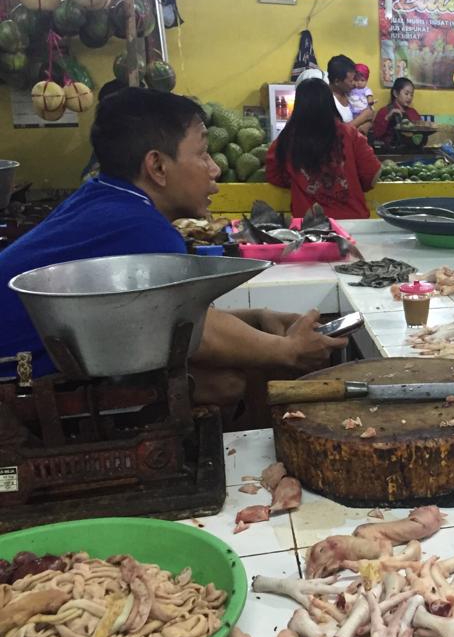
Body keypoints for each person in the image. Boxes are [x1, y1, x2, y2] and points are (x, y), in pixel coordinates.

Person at [0, 88, 348, 403]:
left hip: (43, 363)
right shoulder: (138, 225)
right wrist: (288, 351)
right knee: (228, 380)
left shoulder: (105, 199)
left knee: (224, 378)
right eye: (202, 153)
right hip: (17, 384)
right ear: (157, 166)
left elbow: (167, 318)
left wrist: (257, 317)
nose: (214, 168)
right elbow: (200, 337)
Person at [266, 78, 382, 219]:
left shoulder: (288, 137)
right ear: (330, 103)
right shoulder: (349, 133)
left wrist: (298, 180)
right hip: (352, 223)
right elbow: (373, 174)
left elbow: (273, 174)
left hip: (311, 226)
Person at [327, 54, 374, 131]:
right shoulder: (326, 100)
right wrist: (362, 118)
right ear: (337, 81)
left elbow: (369, 117)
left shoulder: (349, 92)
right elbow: (335, 133)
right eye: (351, 81)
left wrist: (368, 124)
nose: (355, 84)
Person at [371, 77, 421, 148]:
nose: (409, 97)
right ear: (395, 93)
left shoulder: (413, 112)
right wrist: (387, 118)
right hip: (390, 152)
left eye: (411, 95)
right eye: (406, 94)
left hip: (411, 150)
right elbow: (376, 135)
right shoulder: (384, 111)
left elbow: (419, 134)